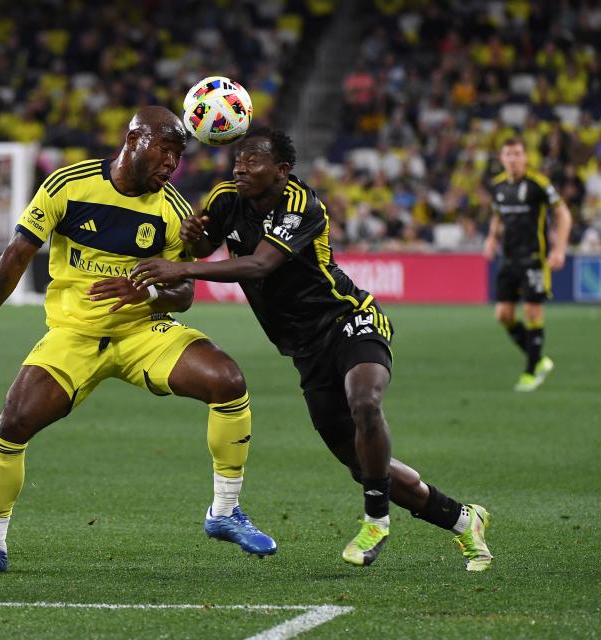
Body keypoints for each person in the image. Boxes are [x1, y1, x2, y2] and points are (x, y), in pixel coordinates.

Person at [130, 128, 492, 570]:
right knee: (364, 466)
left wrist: (181, 266)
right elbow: (207, 243)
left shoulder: (303, 205)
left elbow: (261, 263)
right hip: (305, 349)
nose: (240, 168)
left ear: (282, 171)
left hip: (349, 320)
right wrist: (194, 237)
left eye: (252, 161)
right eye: (238, 160)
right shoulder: (227, 196)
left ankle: (375, 520)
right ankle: (461, 518)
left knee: (365, 402)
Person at [0, 106, 276, 574]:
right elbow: (17, 253)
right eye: (165, 150)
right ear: (135, 139)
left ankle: (224, 512)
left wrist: (147, 289)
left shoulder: (173, 209)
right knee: (14, 422)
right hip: (74, 334)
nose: (172, 164)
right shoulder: (69, 184)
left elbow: (183, 294)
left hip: (141, 332)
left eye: (179, 155)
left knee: (227, 380)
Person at [483, 138, 572, 391]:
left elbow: (563, 213)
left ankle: (531, 371)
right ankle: (539, 358)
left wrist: (559, 249)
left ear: (525, 157)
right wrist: (491, 239)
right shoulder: (498, 187)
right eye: (508, 154)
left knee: (532, 312)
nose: (513, 158)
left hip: (534, 258)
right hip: (508, 259)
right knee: (503, 315)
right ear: (502, 158)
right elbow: (497, 216)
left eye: (517, 153)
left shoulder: (538, 184)